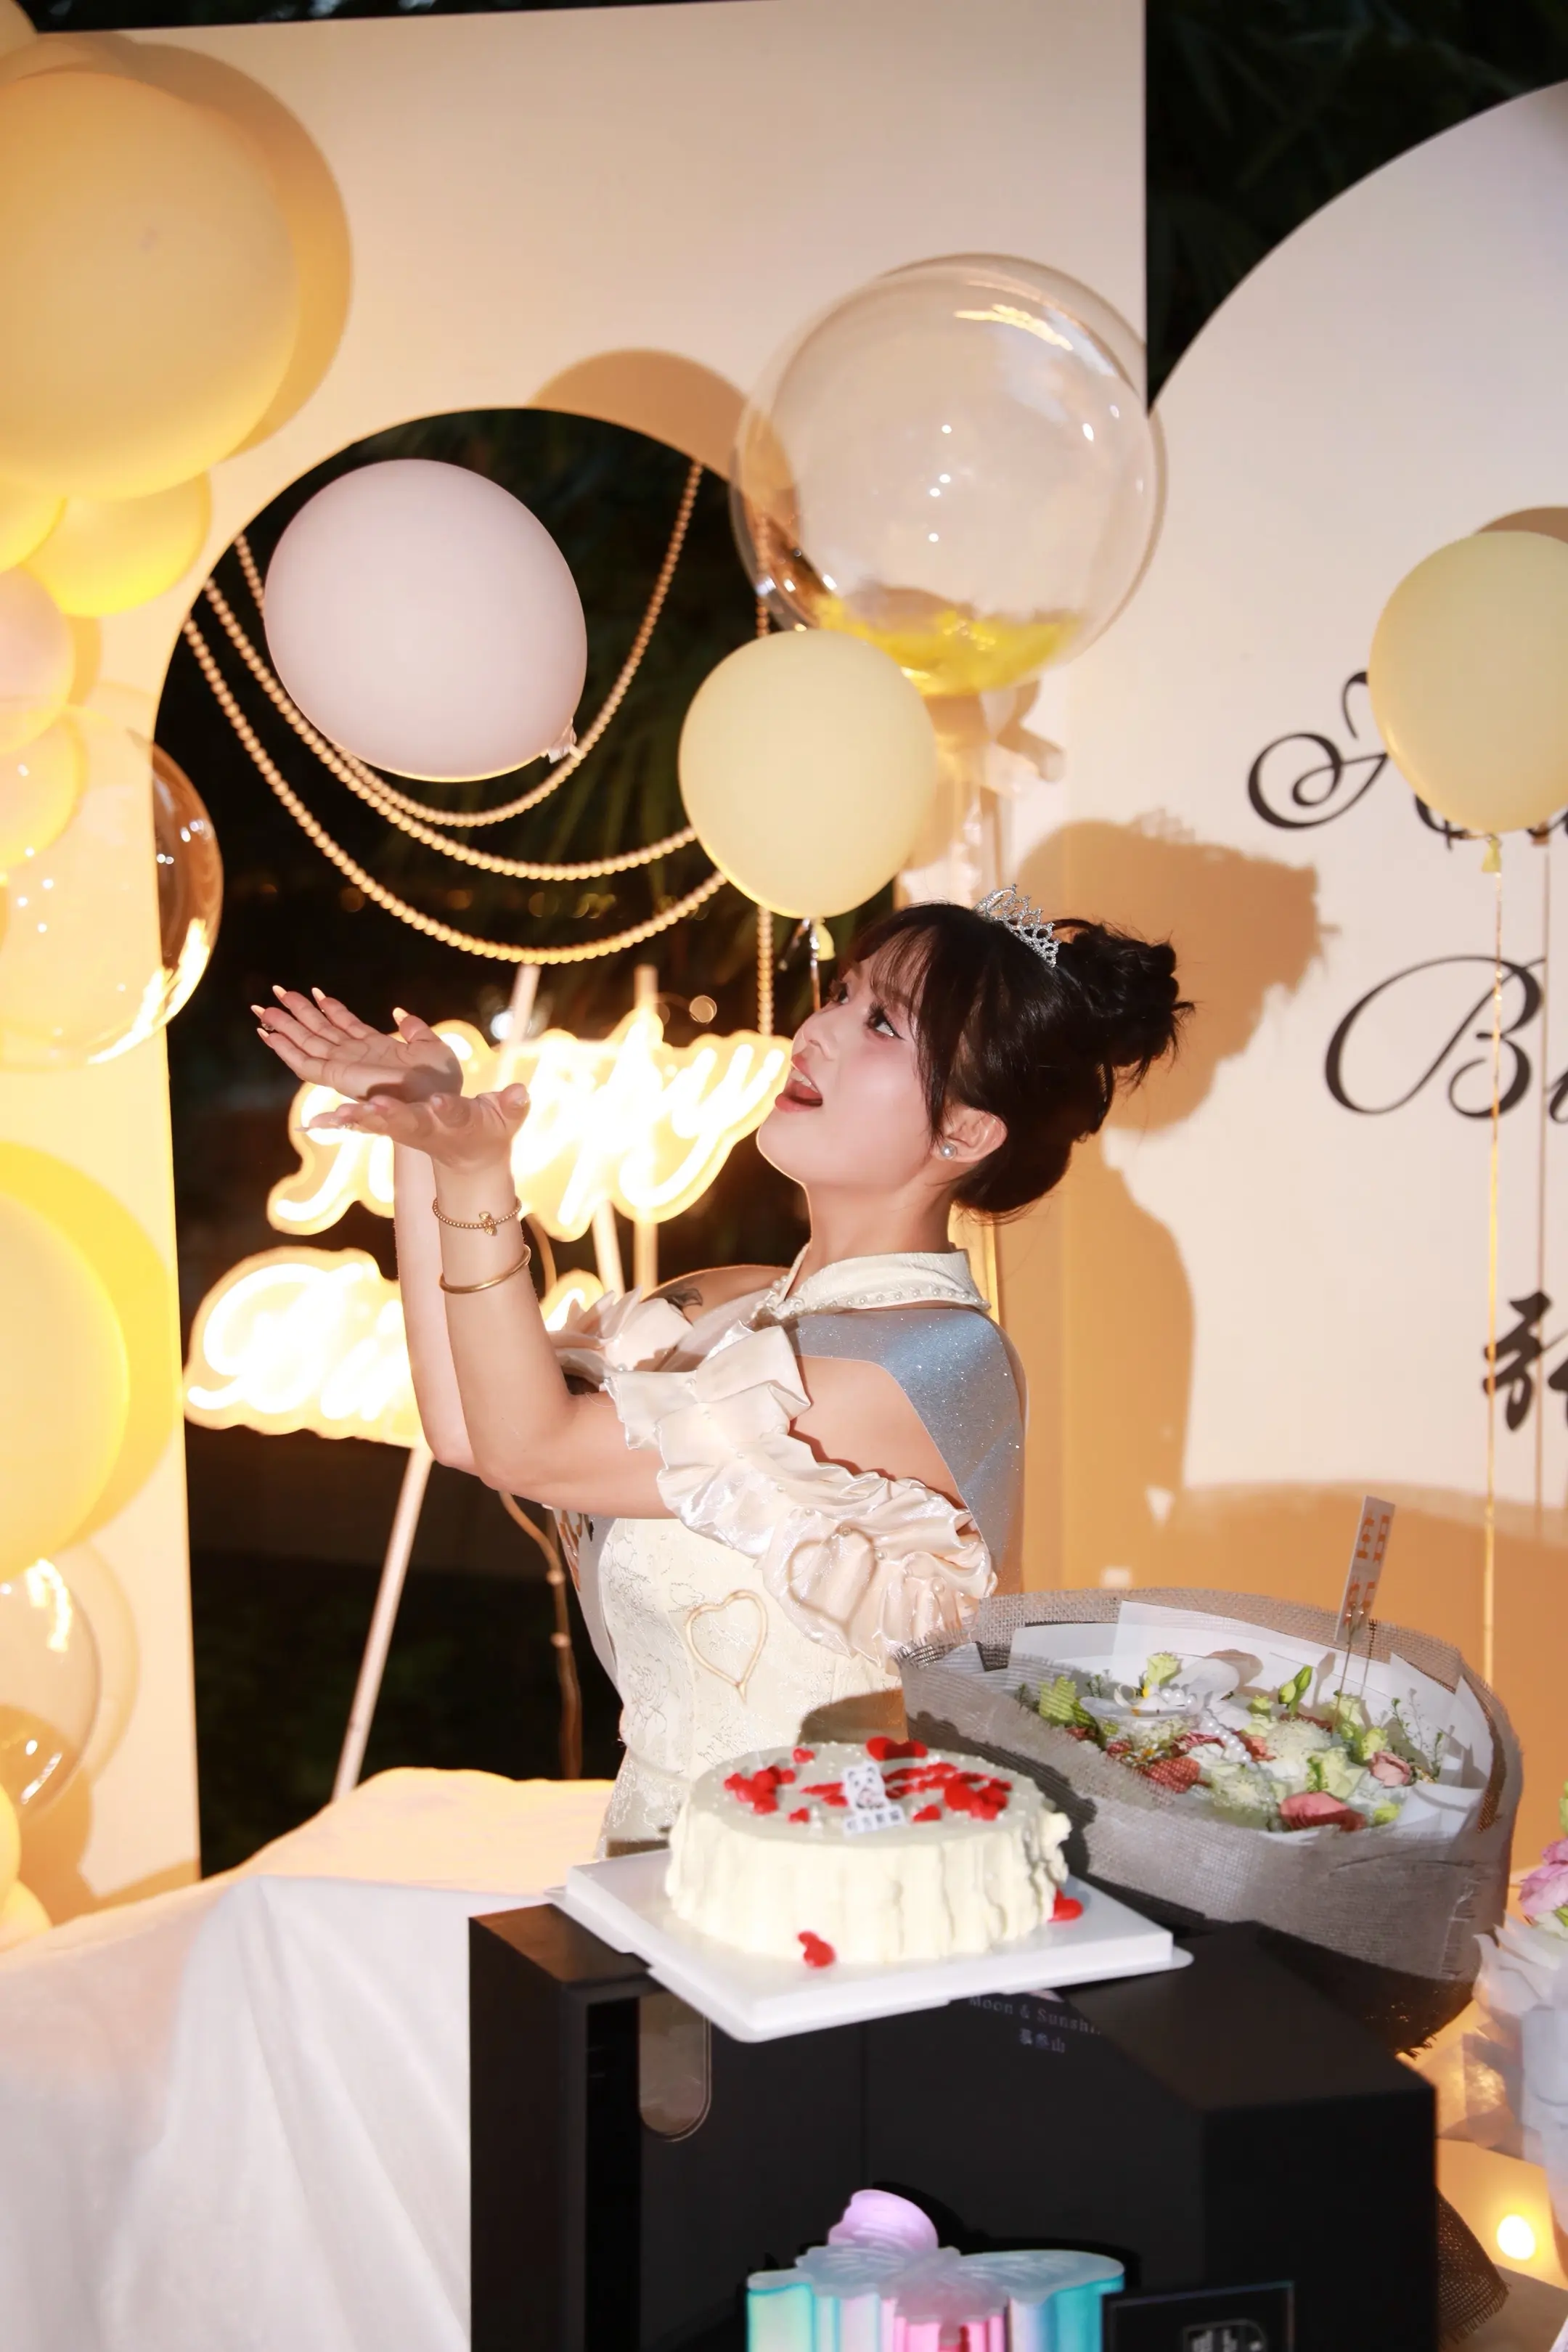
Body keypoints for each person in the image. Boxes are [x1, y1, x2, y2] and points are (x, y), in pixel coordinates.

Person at [255, 889, 1187, 1845]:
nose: (817, 1030)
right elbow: (467, 1424)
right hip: (650, 1869)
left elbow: (529, 1449)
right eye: (842, 994)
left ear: (966, 1130)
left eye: (880, 1022)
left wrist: (472, 1171)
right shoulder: (733, 1306)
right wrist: (421, 1129)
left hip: (825, 1895)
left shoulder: (926, 1357)